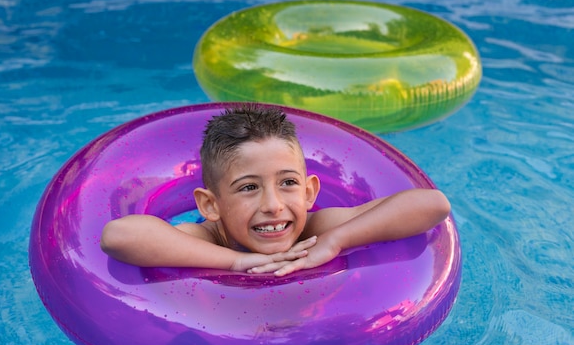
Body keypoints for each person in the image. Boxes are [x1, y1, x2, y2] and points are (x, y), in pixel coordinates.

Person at [100, 104, 451, 277]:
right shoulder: (205, 239)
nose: (273, 205)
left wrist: (336, 241)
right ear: (210, 205)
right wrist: (236, 260)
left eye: (288, 183)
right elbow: (119, 236)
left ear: (310, 192)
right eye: (249, 187)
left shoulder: (316, 230)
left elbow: (431, 204)